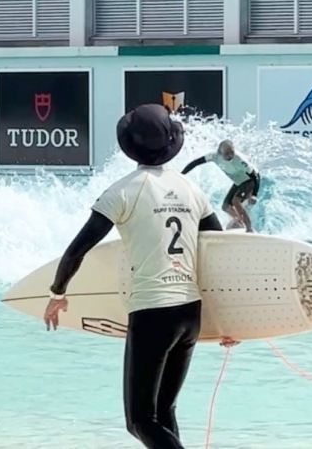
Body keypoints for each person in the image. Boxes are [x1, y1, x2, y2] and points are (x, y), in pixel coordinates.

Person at [42, 104, 238, 449]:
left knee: (140, 421)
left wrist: (58, 293)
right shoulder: (191, 190)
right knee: (164, 411)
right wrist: (232, 321)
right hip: (190, 313)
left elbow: (77, 250)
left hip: (152, 314)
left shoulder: (122, 191)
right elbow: (218, 250)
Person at [181, 139, 261, 233]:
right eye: (227, 155)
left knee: (235, 201)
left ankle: (249, 228)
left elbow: (255, 175)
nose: (230, 156)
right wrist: (181, 175)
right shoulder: (214, 156)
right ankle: (239, 222)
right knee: (225, 206)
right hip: (238, 182)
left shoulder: (239, 159)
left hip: (249, 180)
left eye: (232, 153)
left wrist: (254, 194)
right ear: (220, 153)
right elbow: (195, 163)